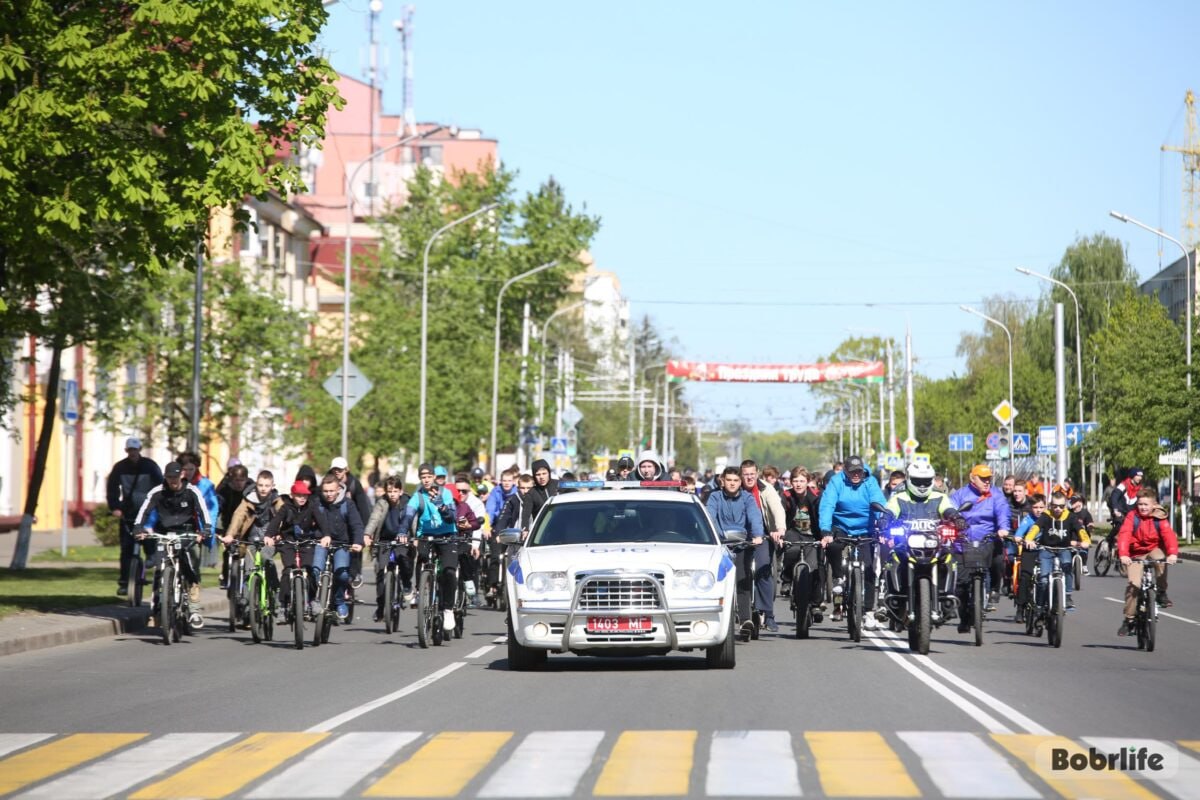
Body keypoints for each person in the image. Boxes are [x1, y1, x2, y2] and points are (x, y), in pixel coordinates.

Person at [134, 461, 211, 628]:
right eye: (169, 477)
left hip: (186, 532)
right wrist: (138, 527)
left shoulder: (191, 491)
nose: (172, 481)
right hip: (164, 532)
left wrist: (206, 529)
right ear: (165, 477)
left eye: (175, 477)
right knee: (159, 568)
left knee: (190, 567)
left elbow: (203, 510)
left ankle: (194, 608)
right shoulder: (158, 491)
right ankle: (156, 611)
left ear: (181, 475)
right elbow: (144, 509)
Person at [818, 454, 886, 627]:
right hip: (842, 526)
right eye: (852, 472)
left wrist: (883, 520)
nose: (856, 475)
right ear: (846, 471)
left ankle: (869, 611)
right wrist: (826, 530)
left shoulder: (870, 482)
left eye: (859, 471)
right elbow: (827, 505)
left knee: (870, 567)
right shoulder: (836, 481)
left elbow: (878, 501)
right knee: (833, 545)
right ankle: (838, 578)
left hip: (865, 529)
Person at [401, 463, 462, 633]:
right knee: (421, 560)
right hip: (426, 536)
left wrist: (441, 506)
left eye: (429, 477)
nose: (426, 480)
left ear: (434, 477)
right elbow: (408, 515)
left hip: (447, 536)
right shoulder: (418, 496)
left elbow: (451, 518)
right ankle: (422, 591)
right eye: (423, 477)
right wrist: (401, 531)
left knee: (449, 572)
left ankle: (448, 609)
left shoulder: (446, 493)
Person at [706, 466, 764, 639]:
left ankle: (746, 620)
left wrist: (758, 535)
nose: (732, 483)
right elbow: (710, 516)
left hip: (742, 544)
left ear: (740, 482)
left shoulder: (747, 498)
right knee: (717, 582)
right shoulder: (715, 497)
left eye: (735, 480)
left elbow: (755, 517)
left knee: (742, 580)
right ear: (722, 481)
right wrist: (718, 535)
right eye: (729, 480)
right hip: (721, 546)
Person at [950, 464, 1010, 630]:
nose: (986, 482)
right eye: (983, 478)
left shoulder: (996, 494)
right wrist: (954, 520)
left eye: (988, 478)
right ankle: (964, 618)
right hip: (963, 543)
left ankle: (994, 588)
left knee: (998, 560)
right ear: (972, 478)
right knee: (961, 585)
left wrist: (1003, 528)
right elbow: (950, 509)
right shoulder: (960, 494)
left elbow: (1002, 512)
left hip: (988, 540)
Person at [264, 480, 331, 619]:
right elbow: (275, 522)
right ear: (292, 495)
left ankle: (313, 600)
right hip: (288, 542)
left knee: (310, 570)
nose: (302, 498)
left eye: (305, 495)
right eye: (299, 495)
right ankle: (282, 605)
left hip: (306, 542)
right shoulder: (286, 507)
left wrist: (326, 535)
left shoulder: (311, 507)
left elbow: (322, 521)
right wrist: (268, 536)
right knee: (288, 570)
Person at [1116, 487, 1179, 635]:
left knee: (1161, 560)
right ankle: (1129, 620)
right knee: (1134, 585)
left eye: (1146, 504)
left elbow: (1169, 536)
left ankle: (1161, 592)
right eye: (1140, 504)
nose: (1143, 507)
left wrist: (1172, 554)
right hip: (1135, 553)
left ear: (1153, 505)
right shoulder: (1132, 516)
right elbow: (1124, 535)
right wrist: (1124, 554)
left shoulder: (1159, 517)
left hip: (1153, 549)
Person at [106, 437, 163, 597]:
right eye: (130, 450)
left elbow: (160, 486)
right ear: (127, 451)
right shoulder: (120, 467)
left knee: (150, 540)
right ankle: (124, 582)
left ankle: (151, 557)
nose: (132, 453)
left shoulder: (150, 466)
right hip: (128, 511)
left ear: (139, 450)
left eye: (135, 450)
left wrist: (158, 505)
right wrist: (115, 507)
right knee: (126, 549)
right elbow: (112, 488)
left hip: (147, 510)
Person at [220, 469, 285, 600]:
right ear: (256, 485)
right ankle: (247, 600)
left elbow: (283, 518)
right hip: (251, 540)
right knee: (249, 569)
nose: (263, 489)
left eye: (267, 486)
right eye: (260, 485)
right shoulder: (248, 499)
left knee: (266, 558)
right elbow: (238, 516)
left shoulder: (277, 501)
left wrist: (280, 534)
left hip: (269, 540)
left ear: (272, 486)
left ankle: (276, 590)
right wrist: (230, 535)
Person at [1023, 489, 1089, 611]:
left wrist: (1085, 541)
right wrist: (1029, 539)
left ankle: (1068, 596)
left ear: (1065, 506)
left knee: (1068, 568)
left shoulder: (1070, 517)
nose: (1058, 509)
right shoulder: (1046, 516)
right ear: (1050, 506)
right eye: (1055, 506)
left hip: (1064, 549)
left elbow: (1080, 530)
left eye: (1061, 506)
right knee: (1043, 579)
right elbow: (1035, 528)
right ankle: (1040, 604)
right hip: (1046, 550)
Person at [741, 459, 786, 632]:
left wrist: (779, 529)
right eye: (746, 475)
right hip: (740, 536)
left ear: (757, 473)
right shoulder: (735, 488)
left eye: (752, 474)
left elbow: (777, 509)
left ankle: (768, 615)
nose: (749, 478)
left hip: (764, 535)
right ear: (741, 475)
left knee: (763, 569)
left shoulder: (765, 488)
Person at [362, 475, 414, 621]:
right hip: (384, 540)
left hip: (402, 539)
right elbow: (374, 519)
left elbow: (413, 520)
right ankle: (380, 606)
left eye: (395, 491)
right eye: (389, 491)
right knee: (380, 570)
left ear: (401, 491)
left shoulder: (407, 502)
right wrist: (367, 534)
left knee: (404, 561)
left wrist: (415, 538)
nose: (392, 494)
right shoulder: (382, 503)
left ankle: (407, 584)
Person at [780, 467, 821, 610]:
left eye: (802, 481)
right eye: (795, 481)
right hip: (793, 531)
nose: (798, 484)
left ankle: (815, 603)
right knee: (791, 550)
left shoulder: (815, 497)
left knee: (814, 566)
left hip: (812, 535)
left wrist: (824, 536)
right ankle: (787, 578)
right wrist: (779, 532)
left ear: (807, 482)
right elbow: (780, 513)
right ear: (791, 482)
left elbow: (821, 517)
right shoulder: (786, 496)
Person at [331, 456, 372, 590]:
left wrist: (366, 532)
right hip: (335, 523)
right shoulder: (328, 482)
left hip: (353, 521)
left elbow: (363, 509)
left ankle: (355, 573)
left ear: (346, 470)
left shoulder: (354, 484)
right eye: (335, 469)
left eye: (340, 469)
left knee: (355, 545)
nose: (337, 472)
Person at [177, 451, 221, 571]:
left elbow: (212, 510)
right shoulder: (175, 484)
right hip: (178, 524)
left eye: (191, 469)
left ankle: (193, 583)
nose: (188, 472)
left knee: (193, 555)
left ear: (196, 467)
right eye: (185, 469)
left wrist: (206, 531)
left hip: (198, 527)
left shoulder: (206, 486)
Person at [216, 463, 250, 589]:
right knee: (228, 551)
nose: (239, 483)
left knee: (248, 551)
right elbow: (217, 507)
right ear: (231, 480)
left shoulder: (251, 490)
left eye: (242, 480)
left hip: (247, 526)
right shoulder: (224, 490)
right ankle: (225, 577)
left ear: (246, 480)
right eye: (236, 480)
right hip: (228, 523)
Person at [1012, 494, 1046, 613]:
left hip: (1045, 551)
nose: (1038, 510)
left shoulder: (1049, 518)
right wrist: (1019, 538)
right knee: (1025, 576)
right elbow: (1019, 533)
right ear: (1031, 507)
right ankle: (1020, 608)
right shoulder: (1028, 519)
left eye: (1041, 507)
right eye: (1036, 507)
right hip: (1030, 550)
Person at [527, 459, 559, 524]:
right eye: (538, 475)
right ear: (534, 476)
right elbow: (525, 514)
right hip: (542, 530)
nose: (541, 477)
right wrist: (525, 529)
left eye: (544, 473)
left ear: (549, 473)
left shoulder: (559, 484)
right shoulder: (531, 492)